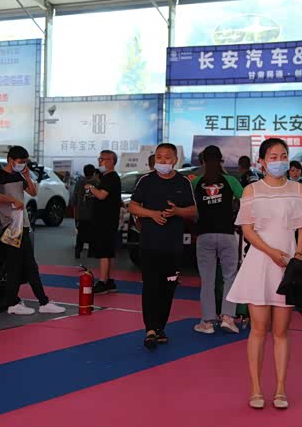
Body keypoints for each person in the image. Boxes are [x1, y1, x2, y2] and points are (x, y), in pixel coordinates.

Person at [227, 138, 302, 410]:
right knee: (258, 329)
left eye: (283, 155)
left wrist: (297, 255)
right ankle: (255, 388)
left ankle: (280, 389)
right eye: (273, 156)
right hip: (260, 263)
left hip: (288, 265)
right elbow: (248, 230)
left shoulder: (299, 189)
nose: (279, 161)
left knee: (281, 331)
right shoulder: (251, 190)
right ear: (262, 162)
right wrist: (271, 252)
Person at [128, 143, 197, 349]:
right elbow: (133, 206)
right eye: (159, 157)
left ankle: (160, 328)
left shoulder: (183, 182)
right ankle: (150, 329)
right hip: (149, 244)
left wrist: (177, 212)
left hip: (173, 246)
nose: (163, 161)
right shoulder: (146, 180)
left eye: (167, 157)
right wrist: (152, 214)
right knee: (150, 286)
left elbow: (193, 210)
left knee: (168, 288)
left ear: (175, 160)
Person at [0, 146, 65, 315]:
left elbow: (33, 192)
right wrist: (12, 200)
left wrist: (28, 176)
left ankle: (39, 301)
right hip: (11, 225)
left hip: (22, 224)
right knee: (19, 265)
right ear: (10, 160)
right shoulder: (1, 176)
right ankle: (20, 302)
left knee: (26, 265)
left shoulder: (18, 175)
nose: (23, 164)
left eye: (25, 162)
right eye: (20, 161)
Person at [191, 146, 244, 335]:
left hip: (204, 235)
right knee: (230, 276)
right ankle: (228, 318)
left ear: (203, 161)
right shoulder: (231, 180)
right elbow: (246, 200)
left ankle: (207, 322)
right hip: (227, 234)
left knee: (207, 280)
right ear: (221, 160)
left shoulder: (196, 182)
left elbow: (190, 208)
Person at [86, 151, 122, 295]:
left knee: (104, 252)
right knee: (107, 251)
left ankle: (103, 281)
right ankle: (108, 280)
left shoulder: (111, 177)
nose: (100, 161)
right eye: (99, 159)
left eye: (103, 159)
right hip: (106, 219)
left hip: (106, 220)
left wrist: (90, 187)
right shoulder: (107, 177)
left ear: (111, 161)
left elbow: (102, 195)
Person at [73, 164, 99, 259]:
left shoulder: (79, 183)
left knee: (80, 233)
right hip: (94, 213)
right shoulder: (97, 183)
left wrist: (75, 214)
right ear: (93, 172)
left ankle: (78, 250)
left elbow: (75, 200)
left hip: (81, 213)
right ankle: (91, 253)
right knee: (93, 233)